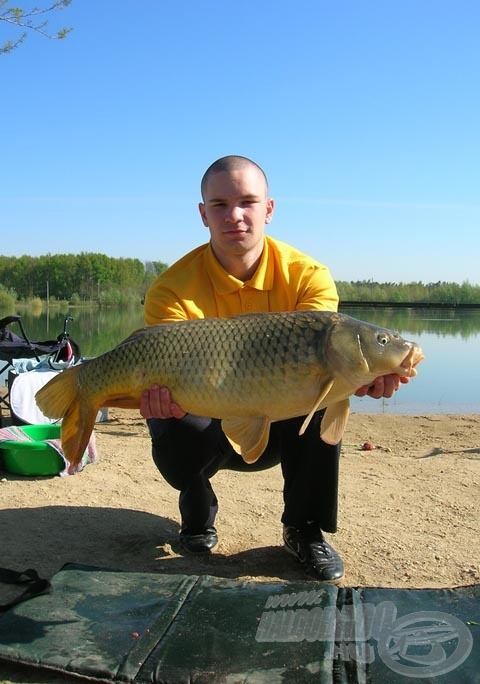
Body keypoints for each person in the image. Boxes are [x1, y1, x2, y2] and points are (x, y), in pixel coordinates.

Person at [140, 155, 407, 583]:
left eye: (248, 202)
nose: (235, 216)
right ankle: (196, 506)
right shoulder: (172, 289)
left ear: (268, 209)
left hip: (284, 423)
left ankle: (305, 529)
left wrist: (360, 377)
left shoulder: (308, 276)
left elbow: (328, 357)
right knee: (167, 414)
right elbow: (169, 367)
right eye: (220, 205)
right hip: (208, 415)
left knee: (326, 395)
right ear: (203, 214)